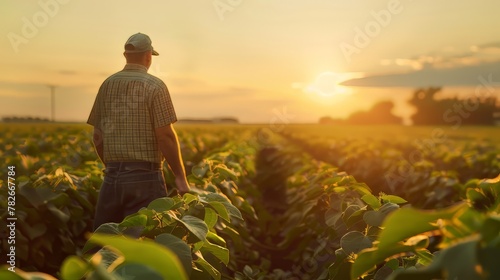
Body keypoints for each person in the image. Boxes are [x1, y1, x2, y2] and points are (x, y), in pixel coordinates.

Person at [87, 32, 190, 231]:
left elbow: (97, 137)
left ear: (125, 56)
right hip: (145, 179)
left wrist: (112, 168)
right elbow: (165, 136)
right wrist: (180, 176)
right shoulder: (155, 86)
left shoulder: (107, 84)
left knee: (105, 247)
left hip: (111, 178)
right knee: (143, 245)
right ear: (148, 56)